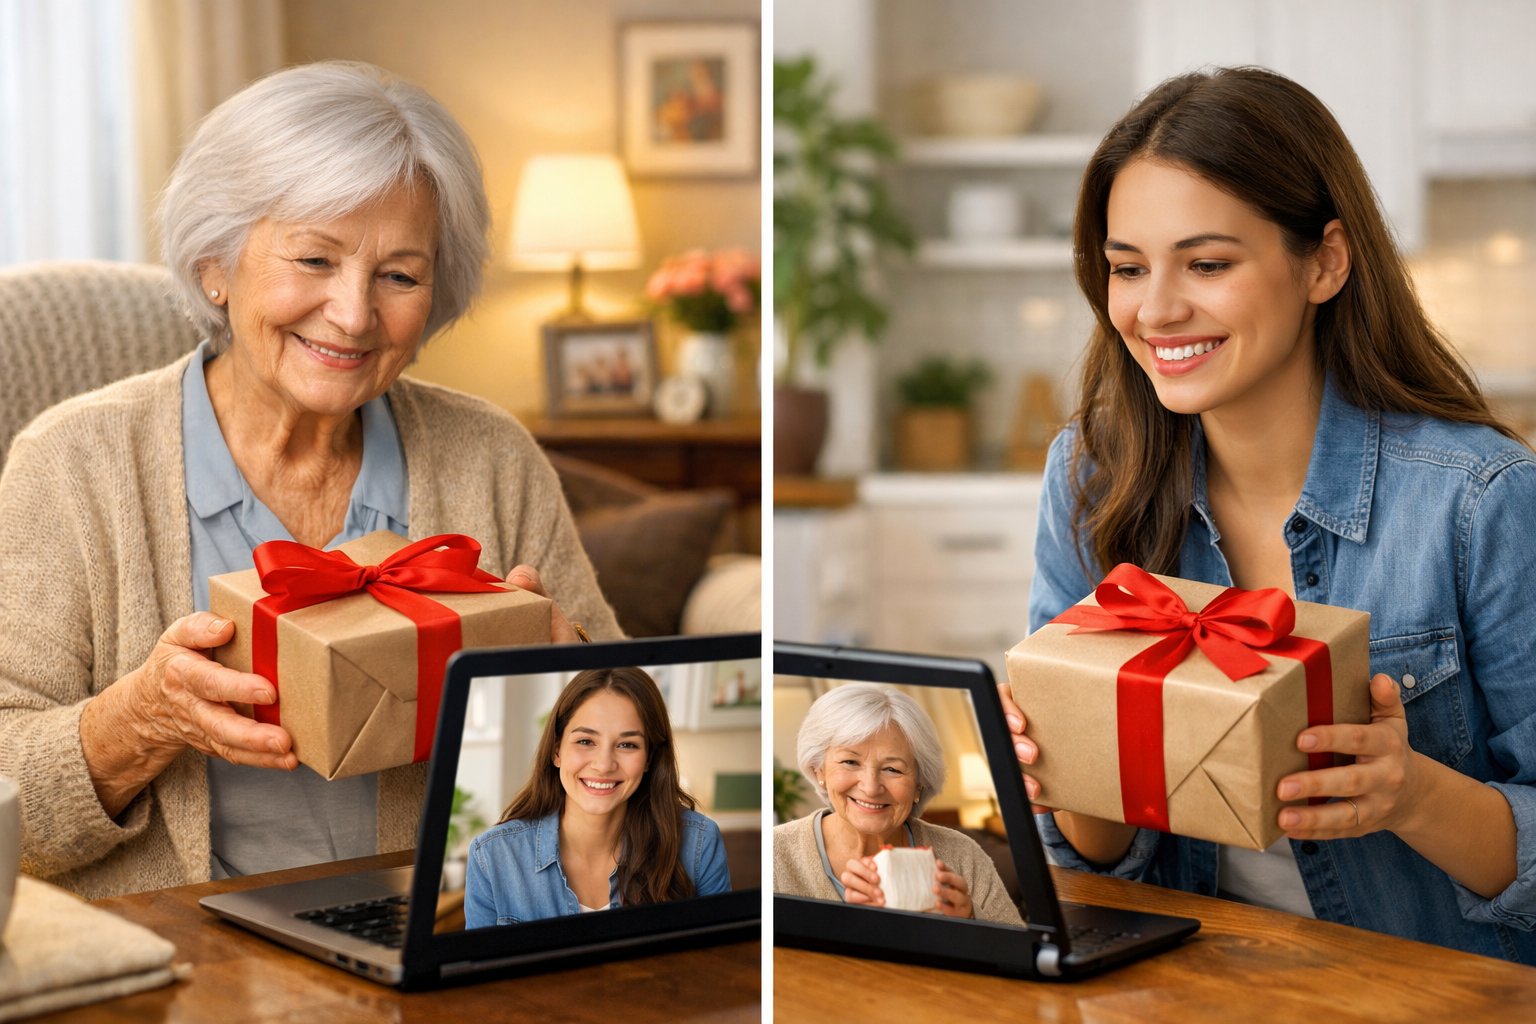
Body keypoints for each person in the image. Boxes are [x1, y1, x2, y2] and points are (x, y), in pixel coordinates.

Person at [0, 61, 621, 900]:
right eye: (315, 258)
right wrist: (142, 721)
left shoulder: (492, 456)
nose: (356, 313)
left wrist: (573, 696)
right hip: (182, 966)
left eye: (399, 275)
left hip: (438, 936)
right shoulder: (71, 466)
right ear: (217, 264)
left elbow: (640, 740)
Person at [1003, 66, 1536, 962]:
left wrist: (1411, 796)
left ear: (1324, 260)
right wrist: (1062, 764)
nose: (1157, 309)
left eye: (1207, 263)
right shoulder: (1093, 476)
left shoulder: (1479, 498)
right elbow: (1097, 857)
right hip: (1188, 987)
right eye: (1127, 268)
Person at [463, 667, 729, 926]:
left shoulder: (699, 844)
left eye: (627, 745)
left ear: (649, 758)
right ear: (557, 750)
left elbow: (720, 963)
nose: (603, 765)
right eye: (585, 741)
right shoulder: (492, 858)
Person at [775, 683, 1023, 926]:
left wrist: (969, 922)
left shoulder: (962, 855)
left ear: (919, 784)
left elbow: (1020, 957)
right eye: (850, 762)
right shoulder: (776, 854)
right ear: (819, 769)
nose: (871, 787)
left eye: (893, 769)